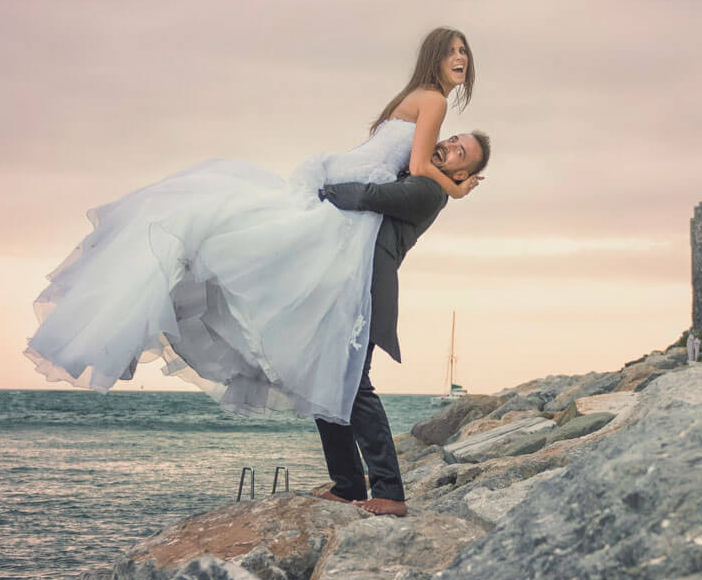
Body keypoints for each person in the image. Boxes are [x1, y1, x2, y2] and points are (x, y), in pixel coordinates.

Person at [24, 27, 483, 434]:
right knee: (287, 271)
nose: (460, 57)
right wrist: (457, 189)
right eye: (451, 51)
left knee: (270, 253)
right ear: (435, 59)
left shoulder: (409, 97)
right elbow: (421, 166)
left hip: (349, 175)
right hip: (356, 190)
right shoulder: (435, 100)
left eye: (464, 51)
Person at [314, 130, 490, 516]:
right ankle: (346, 485)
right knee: (329, 383)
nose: (447, 145)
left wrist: (320, 192)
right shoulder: (419, 173)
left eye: (460, 152)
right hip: (350, 286)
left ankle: (390, 491)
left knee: (355, 387)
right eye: (453, 138)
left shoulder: (429, 191)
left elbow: (368, 197)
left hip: (369, 293)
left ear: (462, 175)